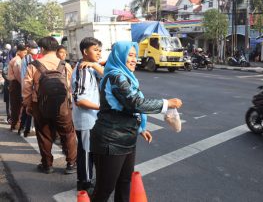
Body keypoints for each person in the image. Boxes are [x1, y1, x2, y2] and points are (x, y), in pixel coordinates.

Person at [90, 41, 182, 201]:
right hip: (110, 141)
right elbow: (135, 103)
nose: (134, 59)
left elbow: (129, 108)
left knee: (125, 183)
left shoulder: (125, 76)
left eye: (135, 55)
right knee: (104, 189)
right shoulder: (116, 76)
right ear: (119, 57)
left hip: (126, 138)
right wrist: (166, 103)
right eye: (129, 55)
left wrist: (141, 129)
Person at [23, 36, 77, 174]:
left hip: (39, 105)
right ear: (56, 48)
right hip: (62, 105)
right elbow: (70, 86)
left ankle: (47, 165)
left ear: (42, 48)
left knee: (44, 134)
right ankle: (71, 163)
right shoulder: (65, 65)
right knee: (68, 134)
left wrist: (28, 105)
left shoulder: (33, 65)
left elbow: (27, 88)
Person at [71, 37, 103, 191]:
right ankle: (84, 183)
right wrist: (100, 107)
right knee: (85, 152)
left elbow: (105, 71)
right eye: (95, 50)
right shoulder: (82, 70)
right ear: (85, 51)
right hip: (85, 120)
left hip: (91, 119)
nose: (99, 53)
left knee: (90, 151)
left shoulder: (88, 67)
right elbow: (79, 100)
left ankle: (87, 180)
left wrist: (94, 64)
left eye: (100, 50)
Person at [19, 40, 40, 137]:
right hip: (34, 87)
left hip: (31, 87)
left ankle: (24, 129)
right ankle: (26, 129)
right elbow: (25, 77)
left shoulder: (29, 58)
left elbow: (25, 77)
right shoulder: (30, 58)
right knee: (30, 109)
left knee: (27, 109)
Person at [8, 43, 28, 131]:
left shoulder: (17, 59)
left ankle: (15, 124)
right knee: (18, 105)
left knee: (15, 105)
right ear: (19, 52)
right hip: (17, 84)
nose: (25, 54)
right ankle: (16, 124)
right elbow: (19, 75)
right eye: (24, 52)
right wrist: (24, 85)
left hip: (14, 84)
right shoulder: (17, 61)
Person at [2, 44, 12, 123]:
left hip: (12, 85)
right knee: (9, 102)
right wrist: (10, 81)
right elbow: (4, 73)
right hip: (9, 85)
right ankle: (9, 118)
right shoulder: (9, 62)